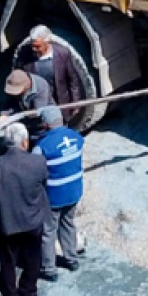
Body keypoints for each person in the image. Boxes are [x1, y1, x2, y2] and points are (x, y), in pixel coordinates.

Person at [0, 122, 50, 296]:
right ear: (25, 143)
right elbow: (42, 183)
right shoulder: (38, 162)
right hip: (33, 221)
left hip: (6, 223)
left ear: (6, 144)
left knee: (8, 262)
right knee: (33, 259)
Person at [32, 106, 85, 278]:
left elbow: (34, 169)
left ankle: (49, 269)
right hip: (74, 191)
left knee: (48, 230)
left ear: (45, 124)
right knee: (68, 223)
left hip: (53, 196)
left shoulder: (42, 146)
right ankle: (72, 259)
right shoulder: (76, 138)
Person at [15, 25, 90, 121]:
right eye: (32, 46)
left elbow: (73, 79)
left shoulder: (63, 54)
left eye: (37, 46)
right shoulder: (26, 55)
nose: (34, 49)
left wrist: (75, 102)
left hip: (59, 103)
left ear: (48, 42)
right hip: (38, 103)